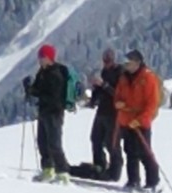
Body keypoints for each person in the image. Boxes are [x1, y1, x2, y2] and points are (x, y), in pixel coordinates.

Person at [23, 42, 78, 181]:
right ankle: (48, 169)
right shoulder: (42, 72)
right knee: (42, 142)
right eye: (40, 56)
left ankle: (62, 172)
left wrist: (37, 93)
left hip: (54, 112)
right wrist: (30, 89)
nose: (40, 59)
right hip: (44, 112)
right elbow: (38, 89)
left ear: (49, 58)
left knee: (54, 143)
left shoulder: (55, 74)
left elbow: (54, 97)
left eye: (42, 56)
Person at [115, 49, 164, 192]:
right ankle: (133, 181)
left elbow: (152, 103)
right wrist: (118, 103)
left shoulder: (148, 78)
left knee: (144, 152)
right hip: (126, 120)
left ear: (137, 63)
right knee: (130, 152)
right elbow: (118, 95)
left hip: (140, 122)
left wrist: (140, 119)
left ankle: (153, 182)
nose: (126, 66)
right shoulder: (124, 78)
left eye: (129, 63)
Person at [84, 46, 125, 181]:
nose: (106, 63)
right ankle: (99, 165)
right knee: (95, 138)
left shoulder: (120, 73)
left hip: (114, 113)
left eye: (109, 61)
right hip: (102, 110)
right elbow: (101, 91)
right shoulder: (104, 72)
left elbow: (118, 94)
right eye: (105, 61)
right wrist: (94, 96)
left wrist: (104, 85)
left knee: (111, 142)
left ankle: (115, 170)